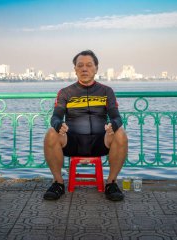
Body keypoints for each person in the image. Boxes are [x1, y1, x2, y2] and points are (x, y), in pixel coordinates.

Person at [43, 50, 128, 201]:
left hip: (100, 142)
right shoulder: (65, 92)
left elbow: (117, 117)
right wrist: (58, 125)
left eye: (89, 65)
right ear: (75, 69)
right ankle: (58, 183)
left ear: (96, 68)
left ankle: (111, 183)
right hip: (72, 142)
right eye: (80, 65)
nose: (84, 69)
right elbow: (56, 116)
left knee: (120, 133)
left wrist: (113, 126)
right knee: (51, 133)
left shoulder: (106, 91)